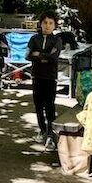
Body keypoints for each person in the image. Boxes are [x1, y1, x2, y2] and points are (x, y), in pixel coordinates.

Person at [26, 11, 63, 151]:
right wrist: (44, 56)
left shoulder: (57, 40)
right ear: (40, 24)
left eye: (50, 23)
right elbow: (28, 55)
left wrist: (39, 54)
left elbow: (54, 57)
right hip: (37, 76)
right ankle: (42, 130)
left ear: (54, 25)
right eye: (45, 23)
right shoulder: (34, 38)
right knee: (38, 105)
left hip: (50, 77)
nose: (47, 26)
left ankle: (50, 134)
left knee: (50, 106)